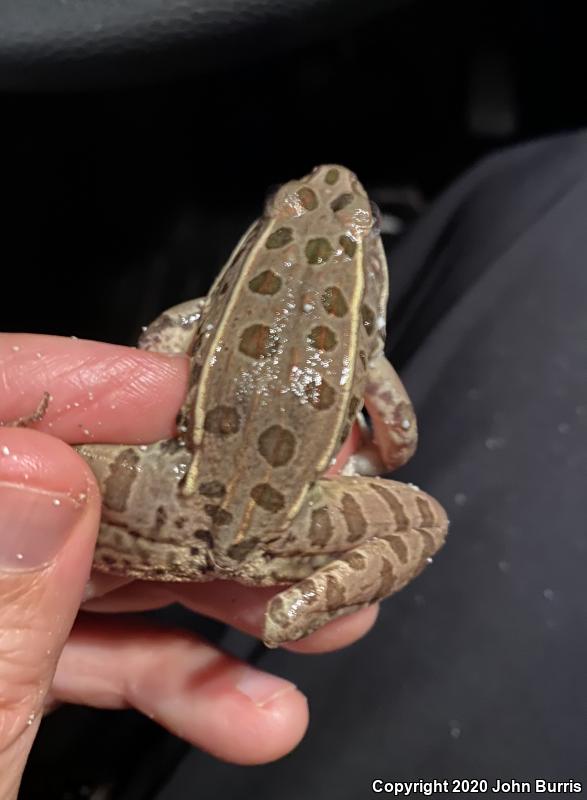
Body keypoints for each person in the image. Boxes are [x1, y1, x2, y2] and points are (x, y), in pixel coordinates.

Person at [1, 132, 585, 797]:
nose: (330, 181)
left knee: (48, 458)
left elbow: (161, 343)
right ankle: (300, 606)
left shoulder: (204, 311)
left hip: (175, 497)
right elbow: (398, 437)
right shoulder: (365, 361)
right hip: (284, 529)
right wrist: (363, 461)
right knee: (423, 520)